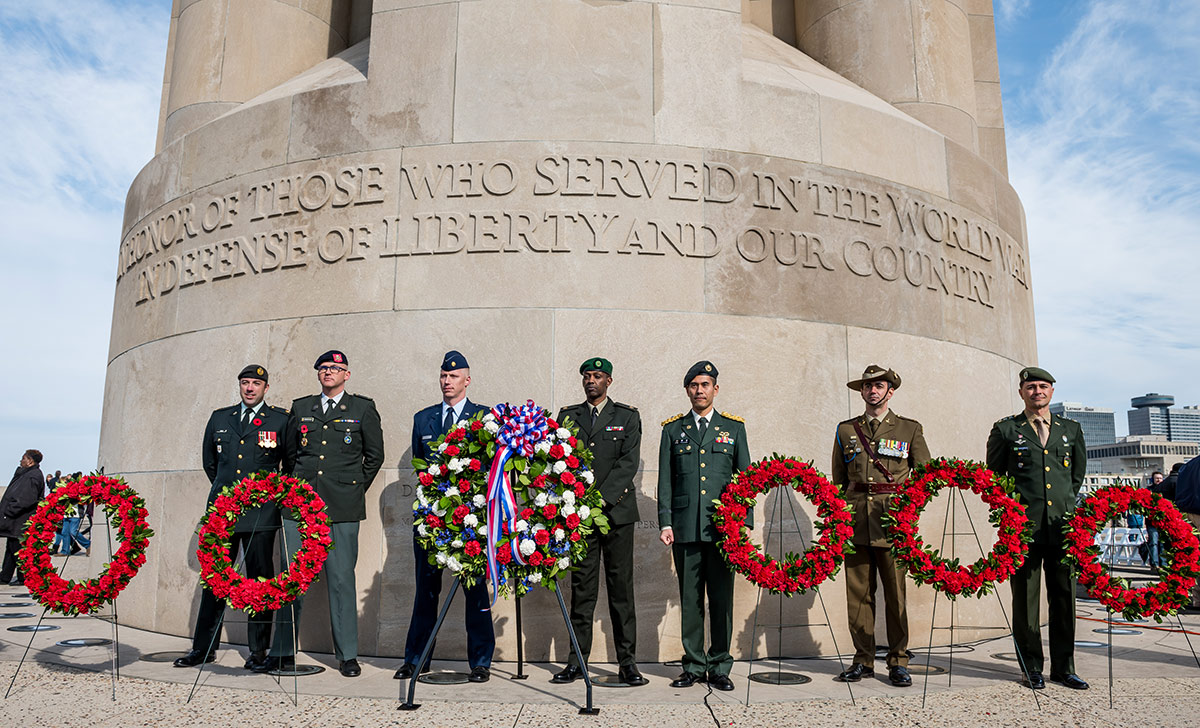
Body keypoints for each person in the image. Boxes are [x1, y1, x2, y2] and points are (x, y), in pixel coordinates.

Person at [260, 350, 384, 678]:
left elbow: (374, 456)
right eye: (324, 368)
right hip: (298, 507)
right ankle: (283, 651)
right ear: (318, 374)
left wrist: (353, 488)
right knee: (291, 578)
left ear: (347, 374)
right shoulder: (301, 408)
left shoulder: (362, 409)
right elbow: (290, 455)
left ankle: (347, 655)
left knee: (341, 580)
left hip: (341, 508)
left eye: (336, 368)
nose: (329, 372)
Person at [174, 364, 292, 670]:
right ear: (239, 386)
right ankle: (203, 648)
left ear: (266, 388)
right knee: (215, 581)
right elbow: (210, 464)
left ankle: (257, 652)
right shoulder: (220, 418)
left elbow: (288, 465)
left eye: (256, 383)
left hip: (260, 514)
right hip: (222, 515)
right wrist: (227, 498)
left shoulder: (280, 420)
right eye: (245, 382)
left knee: (259, 583)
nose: (250, 388)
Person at [986, 366, 1088, 690]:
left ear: (1052, 392)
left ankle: (1064, 667)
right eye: (1031, 387)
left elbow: (1075, 478)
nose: (1037, 392)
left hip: (1062, 527)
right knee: (1026, 601)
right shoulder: (1006, 430)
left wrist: (1064, 508)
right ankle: (1031, 667)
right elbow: (996, 480)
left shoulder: (1070, 430)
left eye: (1043, 386)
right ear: (1021, 393)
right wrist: (1013, 517)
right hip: (1024, 530)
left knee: (1064, 599)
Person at [396, 351, 494, 683]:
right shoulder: (423, 419)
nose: (446, 381)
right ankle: (416, 658)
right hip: (432, 520)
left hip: (470, 521)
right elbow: (420, 466)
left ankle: (481, 661)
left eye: (453, 376)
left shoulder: (484, 418)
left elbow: (491, 467)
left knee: (475, 591)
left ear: (467, 380)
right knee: (426, 590)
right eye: (443, 376)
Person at [830, 365, 930, 687]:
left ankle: (899, 661)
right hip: (857, 521)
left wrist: (907, 513)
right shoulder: (846, 430)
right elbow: (839, 478)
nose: (873, 391)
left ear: (891, 391)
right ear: (862, 392)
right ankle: (863, 660)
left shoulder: (908, 429)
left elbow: (927, 477)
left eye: (879, 386)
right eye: (868, 386)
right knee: (858, 596)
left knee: (895, 596)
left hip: (892, 523)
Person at [551, 357, 647, 687]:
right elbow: (558, 459)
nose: (591, 381)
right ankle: (577, 661)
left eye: (598, 376)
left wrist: (599, 500)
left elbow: (627, 462)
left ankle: (627, 663)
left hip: (616, 515)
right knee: (582, 591)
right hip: (580, 518)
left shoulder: (627, 416)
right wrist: (576, 503)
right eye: (587, 376)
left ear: (609, 381)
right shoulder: (568, 416)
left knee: (621, 592)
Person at [657, 360, 749, 691]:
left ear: (715, 389)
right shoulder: (672, 430)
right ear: (687, 390)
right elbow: (665, 481)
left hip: (723, 530)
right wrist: (665, 521)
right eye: (694, 385)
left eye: (705, 384)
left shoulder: (733, 428)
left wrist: (744, 523)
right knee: (691, 599)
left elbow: (745, 479)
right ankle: (694, 665)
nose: (700, 390)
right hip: (684, 527)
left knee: (722, 600)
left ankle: (720, 664)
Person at [0, 450, 45, 586]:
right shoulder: (26, 474)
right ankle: (5, 576)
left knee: (19, 550)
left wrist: (9, 511)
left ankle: (23, 577)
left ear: (30, 461)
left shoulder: (32, 476)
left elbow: (25, 499)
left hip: (20, 520)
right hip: (16, 521)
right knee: (12, 547)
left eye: (23, 458)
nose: (21, 461)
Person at [1144, 471, 1165, 569]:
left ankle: (1163, 563)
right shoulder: (1149, 490)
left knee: (1162, 543)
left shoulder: (1165, 490)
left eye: (1160, 478)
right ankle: (1154, 563)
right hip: (1151, 521)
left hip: (1162, 521)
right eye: (1157, 478)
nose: (1159, 480)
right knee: (1153, 542)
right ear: (1153, 479)